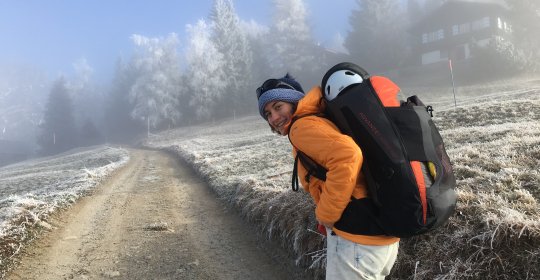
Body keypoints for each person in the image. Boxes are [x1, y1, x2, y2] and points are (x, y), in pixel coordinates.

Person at [256, 73, 400, 279]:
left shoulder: (301, 127)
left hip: (357, 237)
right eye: (268, 114)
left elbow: (347, 155)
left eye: (278, 107)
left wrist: (326, 215)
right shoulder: (319, 118)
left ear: (294, 101)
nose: (274, 118)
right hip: (377, 234)